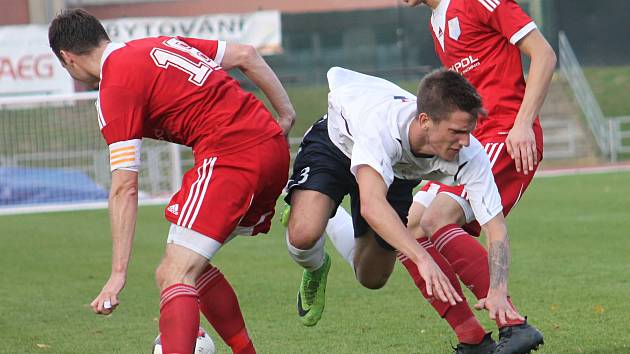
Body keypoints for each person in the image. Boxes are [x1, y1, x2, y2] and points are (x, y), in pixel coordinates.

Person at [49, 9, 295, 354]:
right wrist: (285, 114)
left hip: (230, 155)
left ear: (67, 58)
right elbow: (247, 55)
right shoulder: (162, 43)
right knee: (183, 266)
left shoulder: (115, 85)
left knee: (175, 275)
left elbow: (124, 186)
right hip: (268, 147)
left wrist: (118, 273)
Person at [327, 0, 555, 352]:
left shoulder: (477, 2)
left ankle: (512, 324)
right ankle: (471, 338)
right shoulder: (437, 21)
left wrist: (523, 123)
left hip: (503, 134)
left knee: (436, 218)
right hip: (467, 141)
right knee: (411, 227)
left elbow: (543, 53)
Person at [284, 67, 526, 347]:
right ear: (425, 120)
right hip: (336, 144)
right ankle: (315, 261)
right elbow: (372, 206)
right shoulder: (381, 128)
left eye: (469, 131)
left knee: (372, 277)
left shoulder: (469, 153)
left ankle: (329, 211)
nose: (466, 141)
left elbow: (495, 227)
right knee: (304, 233)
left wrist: (498, 288)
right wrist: (423, 258)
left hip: (395, 171)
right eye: (457, 132)